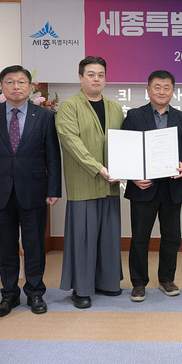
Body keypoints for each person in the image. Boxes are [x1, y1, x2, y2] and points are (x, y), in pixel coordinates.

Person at [0, 65, 61, 317]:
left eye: (21, 82)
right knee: (5, 246)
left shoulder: (43, 116)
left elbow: (53, 156)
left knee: (34, 245)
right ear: (2, 87)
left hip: (34, 190)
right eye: (10, 82)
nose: (16, 86)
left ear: (30, 87)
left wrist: (54, 188)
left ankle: (35, 293)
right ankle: (9, 295)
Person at [55, 56, 124, 309]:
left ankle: (107, 282)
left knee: (109, 236)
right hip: (84, 183)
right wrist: (99, 168)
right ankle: (81, 289)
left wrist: (125, 167)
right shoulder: (69, 106)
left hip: (111, 184)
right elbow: (72, 143)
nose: (97, 79)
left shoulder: (115, 107)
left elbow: (123, 143)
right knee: (83, 238)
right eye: (91, 74)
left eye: (101, 75)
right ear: (80, 77)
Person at [123, 70, 182, 301]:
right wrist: (133, 176)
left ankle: (166, 279)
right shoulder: (134, 116)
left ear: (173, 91)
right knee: (140, 237)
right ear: (148, 90)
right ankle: (138, 283)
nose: (162, 91)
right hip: (143, 186)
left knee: (172, 237)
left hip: (172, 187)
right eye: (157, 87)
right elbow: (125, 149)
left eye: (166, 87)